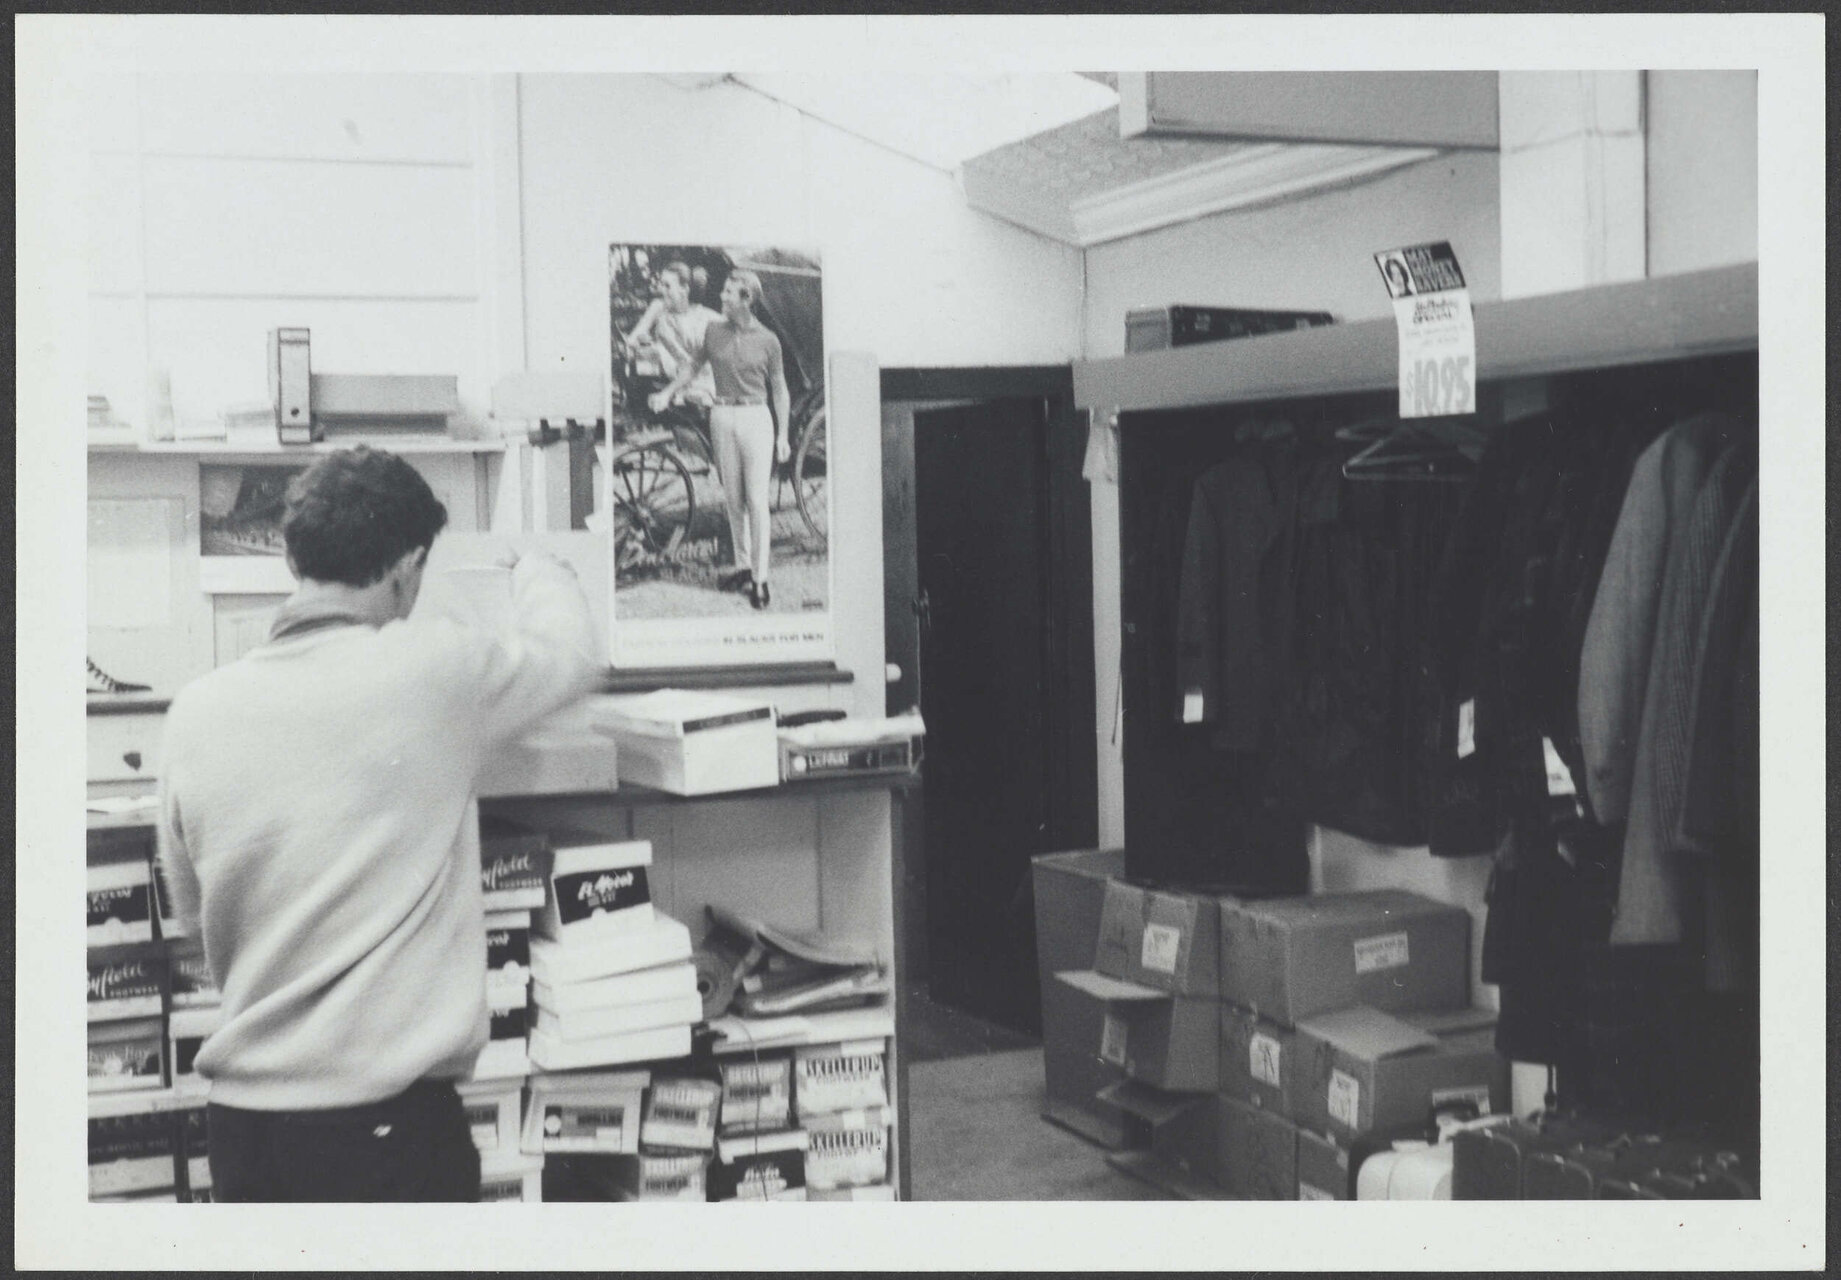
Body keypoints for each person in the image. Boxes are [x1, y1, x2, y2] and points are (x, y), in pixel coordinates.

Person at [155, 446, 599, 1201]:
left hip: (242, 1136)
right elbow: (570, 658)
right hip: (383, 1133)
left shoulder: (194, 711)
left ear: (296, 559)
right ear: (407, 568)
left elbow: (191, 915)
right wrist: (541, 571)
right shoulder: (431, 670)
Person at [650, 268, 790, 610]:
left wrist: (783, 435)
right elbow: (692, 368)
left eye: (729, 292)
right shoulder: (713, 331)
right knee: (733, 500)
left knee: (757, 501)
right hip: (722, 416)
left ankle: (760, 579)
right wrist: (668, 393)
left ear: (747, 299)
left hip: (756, 418)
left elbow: (780, 390)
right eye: (724, 290)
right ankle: (743, 567)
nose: (722, 297)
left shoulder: (769, 340)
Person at [622, 261, 719, 404]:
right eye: (661, 284)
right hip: (665, 383)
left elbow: (700, 364)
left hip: (700, 387)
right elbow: (633, 340)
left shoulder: (705, 317)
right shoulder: (659, 308)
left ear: (684, 289)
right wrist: (639, 344)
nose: (661, 290)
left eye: (667, 286)